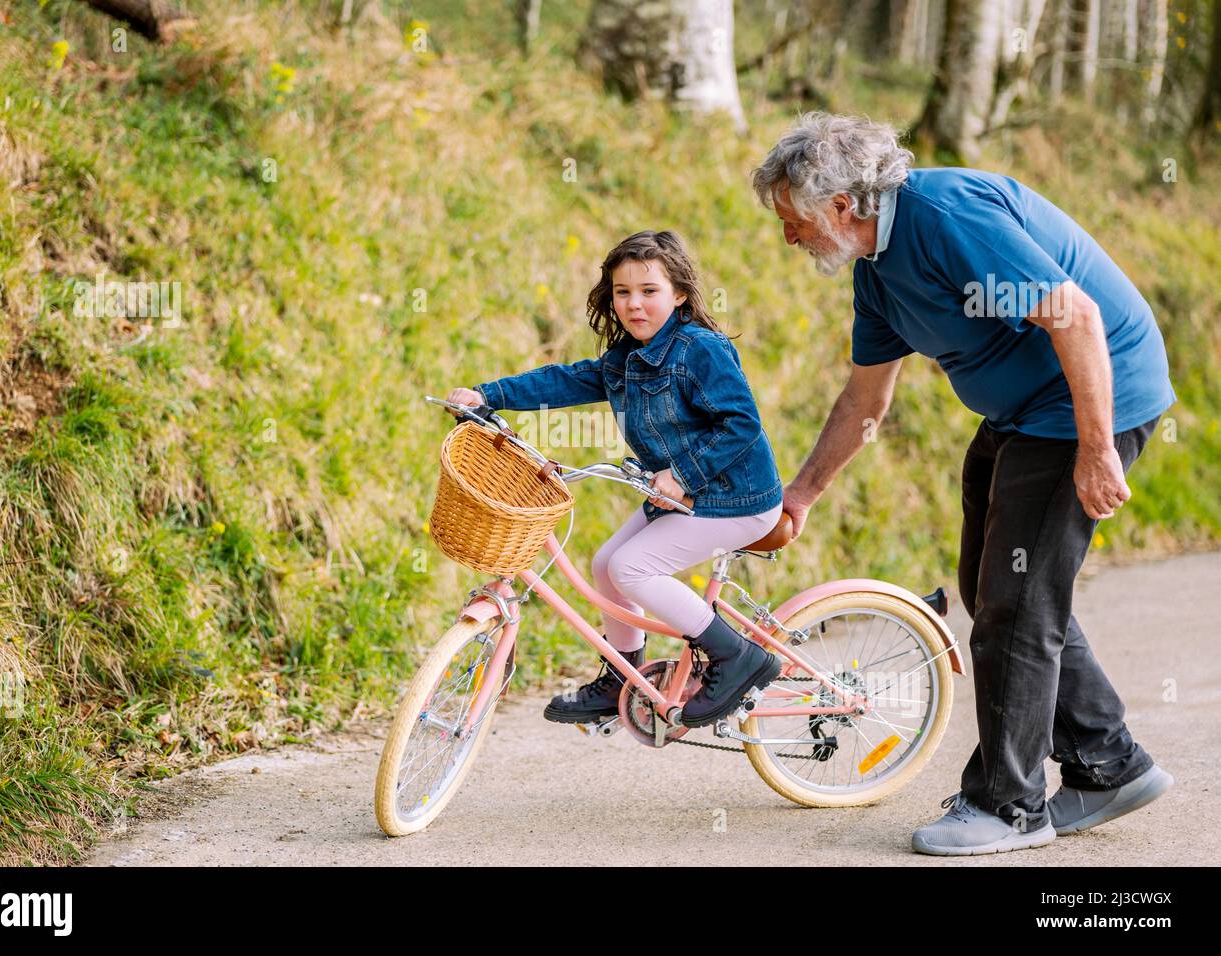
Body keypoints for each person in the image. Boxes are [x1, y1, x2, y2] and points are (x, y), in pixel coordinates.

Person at [751, 111, 1175, 855]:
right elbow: (865, 401)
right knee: (992, 590)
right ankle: (1109, 764)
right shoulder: (877, 273)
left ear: (842, 206)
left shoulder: (945, 219)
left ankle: (1010, 808)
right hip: (1022, 411)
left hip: (1090, 399)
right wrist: (803, 494)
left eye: (793, 219)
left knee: (1017, 606)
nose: (789, 235)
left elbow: (1073, 314)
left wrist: (1097, 447)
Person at [447, 229, 783, 728]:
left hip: (736, 498)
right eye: (623, 292)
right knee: (607, 565)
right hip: (683, 499)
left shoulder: (699, 349)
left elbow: (741, 423)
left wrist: (683, 474)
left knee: (631, 568)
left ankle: (738, 658)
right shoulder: (624, 359)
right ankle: (623, 675)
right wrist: (487, 396)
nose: (635, 304)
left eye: (650, 291)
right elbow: (564, 380)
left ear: (680, 295)